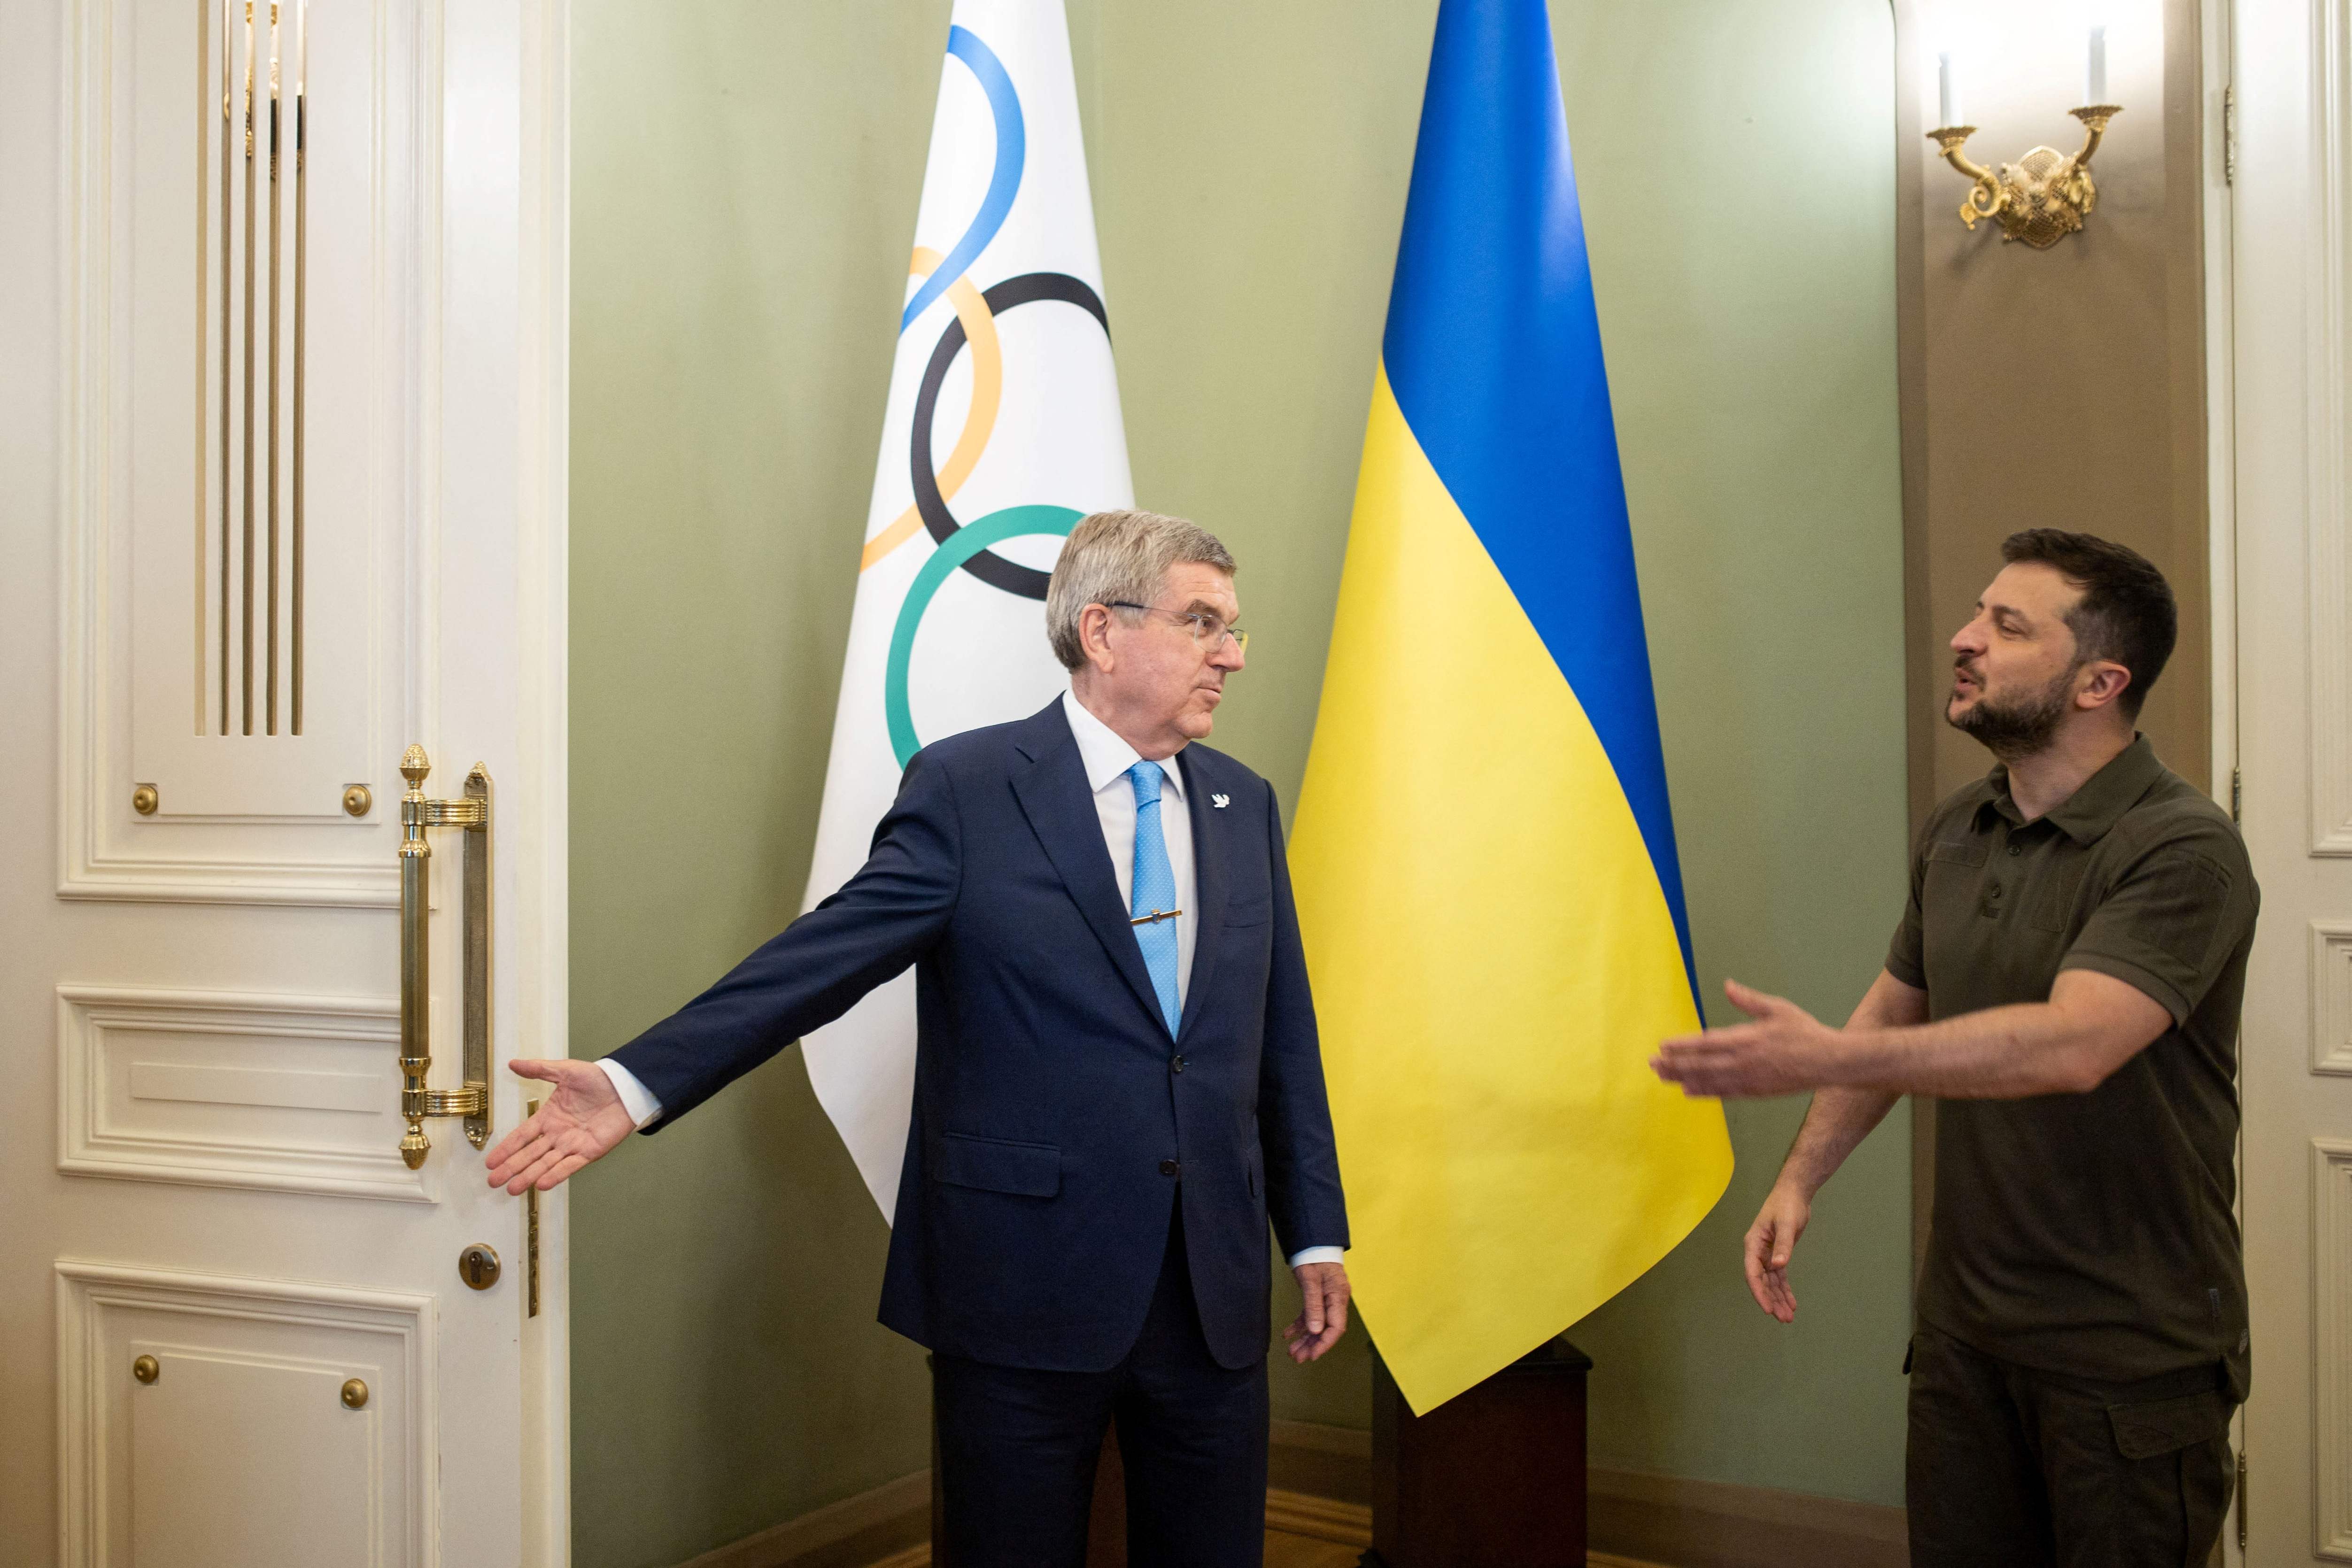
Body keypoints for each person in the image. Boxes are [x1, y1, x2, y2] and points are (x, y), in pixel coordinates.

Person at [486, 510, 1351, 1568]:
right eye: (1204, 621)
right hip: (1023, 1286)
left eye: (1233, 626)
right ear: (1102, 630)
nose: (1233, 652)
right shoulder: (972, 787)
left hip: (1209, 1287)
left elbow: (1281, 1037)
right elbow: (822, 958)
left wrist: (1313, 1231)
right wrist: (634, 1082)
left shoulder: (1239, 802)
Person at [1651, 530, 2256, 1568]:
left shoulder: (2180, 847)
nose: (1961, 638)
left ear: (2095, 681)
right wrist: (1800, 1178)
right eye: (1976, 613)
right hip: (1964, 1340)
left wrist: (1822, 1058)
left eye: (2005, 626)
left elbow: (2073, 1044)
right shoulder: (1957, 827)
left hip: (2127, 1357)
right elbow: (1894, 1011)